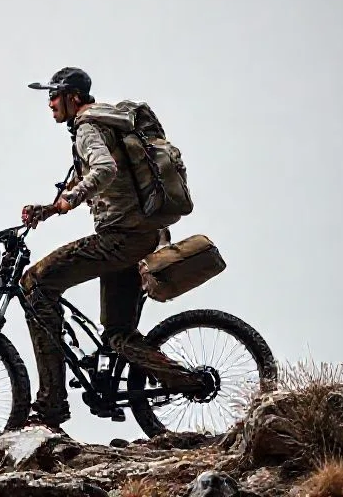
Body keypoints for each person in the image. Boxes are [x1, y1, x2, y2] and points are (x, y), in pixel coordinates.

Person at [17, 66, 205, 428]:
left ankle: (52, 404)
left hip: (120, 238)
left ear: (73, 98)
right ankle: (187, 381)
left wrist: (67, 201)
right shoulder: (106, 123)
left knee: (36, 284)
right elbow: (95, 173)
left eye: (54, 95)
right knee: (118, 332)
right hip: (142, 235)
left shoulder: (88, 127)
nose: (50, 103)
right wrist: (48, 209)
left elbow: (103, 170)